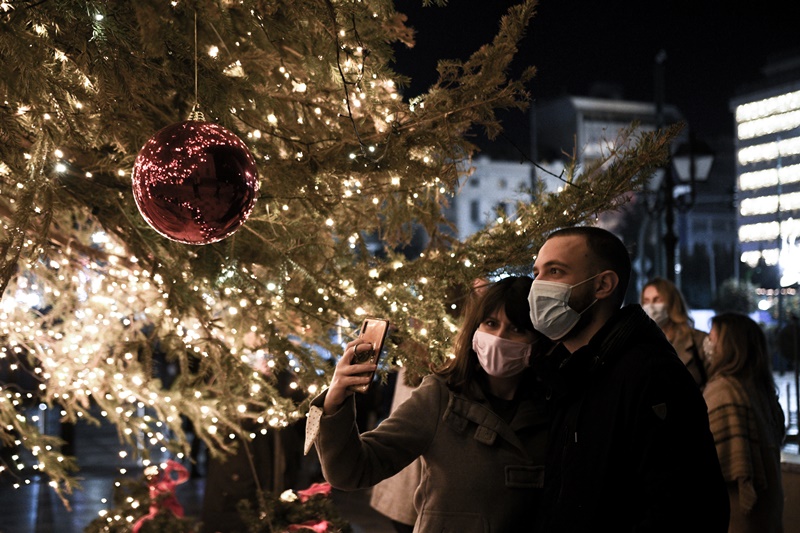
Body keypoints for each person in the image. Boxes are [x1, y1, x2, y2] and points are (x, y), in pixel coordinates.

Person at [305, 276, 550, 532]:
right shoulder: (440, 397)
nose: (500, 338)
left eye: (517, 329)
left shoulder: (554, 407)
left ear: (537, 339)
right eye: (491, 323)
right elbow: (353, 471)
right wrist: (335, 401)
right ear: (476, 328)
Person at [528, 225, 729, 532]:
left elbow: (686, 508)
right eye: (537, 272)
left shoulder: (651, 375)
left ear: (603, 284)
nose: (538, 285)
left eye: (555, 271)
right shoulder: (568, 373)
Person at [703, 312, 785, 533]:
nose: (707, 344)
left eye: (712, 338)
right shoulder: (761, 391)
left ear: (729, 346)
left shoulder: (724, 391)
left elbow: (706, 460)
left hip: (736, 517)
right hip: (769, 514)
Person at [641, 277, 709, 388]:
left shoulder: (698, 339)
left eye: (657, 299)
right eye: (646, 301)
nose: (651, 307)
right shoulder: (640, 343)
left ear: (671, 303)